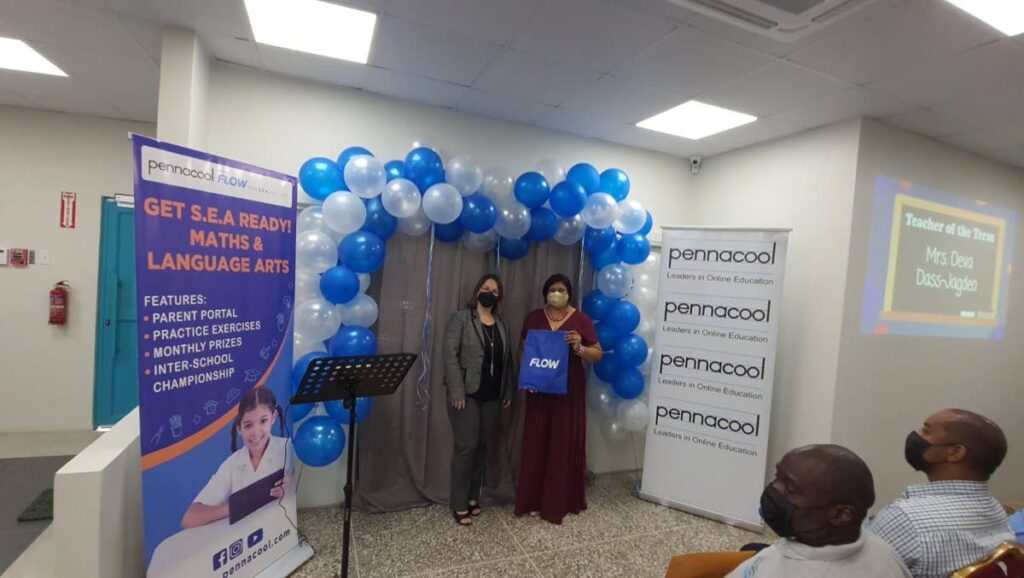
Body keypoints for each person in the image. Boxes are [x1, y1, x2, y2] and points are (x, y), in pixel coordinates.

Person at [868, 409, 1014, 578]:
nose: (917, 434)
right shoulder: (997, 511)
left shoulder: (906, 518)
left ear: (955, 453)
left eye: (926, 431)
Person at [728, 444, 911, 578]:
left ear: (841, 515)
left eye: (790, 489)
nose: (774, 489)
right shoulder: (880, 549)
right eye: (777, 477)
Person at [515, 274, 602, 524]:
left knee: (561, 445)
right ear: (545, 293)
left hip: (568, 393)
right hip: (539, 392)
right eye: (552, 289)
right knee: (536, 444)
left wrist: (579, 346)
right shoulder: (533, 317)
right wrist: (528, 377)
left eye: (561, 289)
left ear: (569, 293)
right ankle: (531, 499)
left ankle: (557, 501)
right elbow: (523, 351)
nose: (556, 293)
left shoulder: (581, 320)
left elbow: (597, 354)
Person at [443, 274, 513, 526]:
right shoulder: (461, 318)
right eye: (485, 288)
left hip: (492, 396)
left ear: (499, 297)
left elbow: (507, 362)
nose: (489, 293)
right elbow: (450, 355)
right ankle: (459, 503)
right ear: (476, 292)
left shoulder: (502, 325)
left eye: (495, 291)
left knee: (483, 447)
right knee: (466, 447)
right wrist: (457, 391)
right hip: (467, 395)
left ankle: (474, 497)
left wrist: (507, 391)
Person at [181, 386, 293, 528]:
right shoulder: (233, 464)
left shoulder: (288, 448)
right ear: (239, 428)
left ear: (273, 417)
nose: (255, 432)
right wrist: (237, 506)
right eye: (248, 425)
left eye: (263, 421)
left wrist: (292, 484)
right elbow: (190, 518)